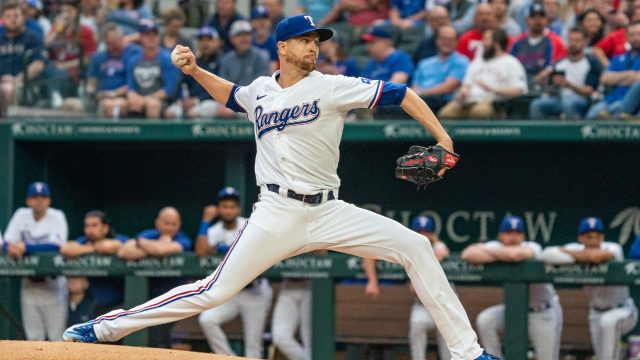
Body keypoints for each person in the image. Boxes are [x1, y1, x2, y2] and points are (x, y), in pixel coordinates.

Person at [64, 14, 498, 360]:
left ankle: (469, 353)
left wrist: (444, 139)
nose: (314, 46)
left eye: (317, 40)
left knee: (416, 247)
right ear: (283, 48)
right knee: (212, 291)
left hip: (330, 210)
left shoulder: (332, 87)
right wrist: (196, 71)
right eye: (306, 39)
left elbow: (401, 93)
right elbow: (232, 95)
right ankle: (104, 328)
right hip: (276, 212)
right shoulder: (260, 91)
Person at [461, 215, 562, 360]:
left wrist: (489, 251)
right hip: (515, 310)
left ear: (524, 235)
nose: (513, 237)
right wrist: (500, 253)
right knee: (486, 320)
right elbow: (468, 253)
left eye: (517, 233)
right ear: (500, 235)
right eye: (508, 233)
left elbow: (515, 256)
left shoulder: (533, 246)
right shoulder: (498, 247)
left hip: (543, 312)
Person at [540, 217, 639, 360]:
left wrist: (572, 255)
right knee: (601, 354)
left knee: (608, 325)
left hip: (623, 310)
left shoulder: (613, 247)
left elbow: (596, 257)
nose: (593, 240)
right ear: (581, 238)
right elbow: (547, 253)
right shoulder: (576, 248)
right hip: (595, 312)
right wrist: (578, 255)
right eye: (589, 236)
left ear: (602, 237)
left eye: (597, 236)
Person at [196, 187, 272, 358]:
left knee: (253, 346)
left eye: (232, 206)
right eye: (224, 206)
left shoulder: (248, 224)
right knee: (207, 320)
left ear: (237, 209)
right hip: (231, 293)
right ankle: (228, 357)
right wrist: (205, 221)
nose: (228, 210)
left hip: (255, 291)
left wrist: (224, 248)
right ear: (219, 208)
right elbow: (201, 251)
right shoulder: (214, 230)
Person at [117, 206, 192, 348]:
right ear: (158, 223)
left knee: (158, 336)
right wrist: (153, 248)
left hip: (173, 297)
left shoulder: (183, 239)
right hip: (146, 295)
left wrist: (143, 245)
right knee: (122, 324)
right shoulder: (148, 234)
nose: (169, 227)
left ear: (179, 225)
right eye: (166, 223)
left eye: (173, 224)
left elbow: (162, 250)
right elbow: (124, 252)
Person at [4, 182, 68, 341]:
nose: (39, 200)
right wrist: (10, 249)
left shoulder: (57, 216)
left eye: (43, 197)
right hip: (29, 284)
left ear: (49, 200)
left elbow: (56, 245)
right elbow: (6, 242)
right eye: (35, 197)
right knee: (33, 339)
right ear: (28, 201)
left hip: (53, 284)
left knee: (57, 339)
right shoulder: (21, 214)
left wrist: (25, 248)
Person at [439, 28, 528, 119]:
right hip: (467, 101)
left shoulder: (511, 63)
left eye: (486, 40)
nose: (482, 43)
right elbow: (466, 85)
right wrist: (463, 92)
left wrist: (494, 89)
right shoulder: (477, 62)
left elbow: (519, 90)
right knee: (446, 113)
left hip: (492, 103)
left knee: (479, 112)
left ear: (496, 43)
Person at [60, 210, 129, 315]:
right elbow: (65, 249)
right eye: (87, 226)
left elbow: (110, 246)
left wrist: (88, 248)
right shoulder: (85, 241)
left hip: (123, 304)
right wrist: (92, 248)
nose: (90, 230)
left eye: (94, 225)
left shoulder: (117, 238)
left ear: (105, 228)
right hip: (98, 304)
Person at [529, 26, 601, 119]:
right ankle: (539, 133)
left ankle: (572, 132)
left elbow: (589, 91)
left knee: (568, 104)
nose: (573, 43)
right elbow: (543, 84)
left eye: (577, 40)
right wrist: (544, 79)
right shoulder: (559, 63)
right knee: (536, 105)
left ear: (585, 42)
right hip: (560, 99)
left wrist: (569, 85)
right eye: (571, 40)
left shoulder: (591, 63)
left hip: (583, 100)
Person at [408, 215, 451, 360]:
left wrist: (422, 270)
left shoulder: (438, 246)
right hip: (423, 305)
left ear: (432, 233)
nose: (422, 234)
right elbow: (413, 288)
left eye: (426, 231)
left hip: (445, 304)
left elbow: (442, 251)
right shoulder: (408, 250)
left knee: (448, 331)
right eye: (419, 231)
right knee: (416, 324)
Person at [125, 19, 181, 119]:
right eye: (147, 34)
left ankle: (154, 134)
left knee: (152, 104)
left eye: (155, 34)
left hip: (166, 102)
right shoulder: (133, 60)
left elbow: (169, 90)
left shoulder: (168, 58)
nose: (152, 37)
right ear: (141, 37)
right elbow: (131, 87)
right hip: (141, 98)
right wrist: (134, 97)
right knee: (132, 103)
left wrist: (145, 99)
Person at [586, 21, 640, 119]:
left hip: (632, 103)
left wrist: (617, 78)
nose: (635, 38)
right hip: (611, 99)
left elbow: (638, 80)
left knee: (615, 111)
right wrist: (631, 75)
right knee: (592, 114)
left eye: (638, 34)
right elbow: (604, 78)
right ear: (627, 37)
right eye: (632, 35)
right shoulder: (619, 57)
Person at [165, 26, 222, 119]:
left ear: (217, 42)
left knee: (195, 112)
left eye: (209, 39)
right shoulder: (194, 61)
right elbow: (181, 83)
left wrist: (197, 100)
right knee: (170, 113)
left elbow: (219, 88)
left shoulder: (221, 61)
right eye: (202, 40)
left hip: (210, 101)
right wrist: (181, 100)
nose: (205, 43)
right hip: (190, 102)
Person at [86, 24, 141, 118]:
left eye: (113, 43)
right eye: (107, 44)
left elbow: (133, 83)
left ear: (122, 38)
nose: (110, 47)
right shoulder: (99, 57)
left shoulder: (134, 54)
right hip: (101, 96)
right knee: (70, 104)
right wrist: (92, 93)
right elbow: (92, 80)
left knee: (112, 105)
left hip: (123, 96)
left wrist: (112, 94)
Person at [217, 20, 271, 117]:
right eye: (239, 35)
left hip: (254, 102)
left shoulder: (261, 57)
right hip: (231, 102)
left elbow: (261, 89)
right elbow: (222, 86)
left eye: (247, 35)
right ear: (231, 39)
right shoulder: (225, 59)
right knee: (208, 108)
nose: (244, 38)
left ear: (252, 37)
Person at [412, 25, 469, 114]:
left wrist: (421, 93)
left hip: (442, 101)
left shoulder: (461, 61)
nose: (447, 43)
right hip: (420, 99)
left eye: (450, 40)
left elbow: (448, 87)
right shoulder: (424, 63)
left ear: (456, 42)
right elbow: (415, 86)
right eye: (443, 39)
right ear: (437, 41)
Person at [0, 1, 47, 105]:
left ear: (23, 17)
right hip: (2, 81)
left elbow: (39, 65)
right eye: (8, 16)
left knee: (7, 89)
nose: (12, 19)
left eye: (16, 16)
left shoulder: (33, 37)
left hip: (26, 85)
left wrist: (16, 79)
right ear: (2, 19)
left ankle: (11, 121)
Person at [510, 3, 567, 83]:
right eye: (533, 17)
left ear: (546, 20)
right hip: (518, 83)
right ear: (527, 20)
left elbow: (555, 67)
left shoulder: (555, 41)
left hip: (542, 85)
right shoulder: (518, 41)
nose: (537, 21)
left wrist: (534, 81)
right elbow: (510, 64)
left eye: (541, 17)